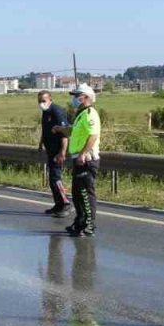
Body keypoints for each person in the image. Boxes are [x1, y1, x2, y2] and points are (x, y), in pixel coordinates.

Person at [56, 84, 101, 236]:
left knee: (86, 195)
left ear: (86, 97)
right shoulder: (80, 114)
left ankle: (89, 226)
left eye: (77, 96)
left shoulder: (90, 113)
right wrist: (61, 129)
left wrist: (83, 153)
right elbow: (74, 132)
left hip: (86, 159)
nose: (74, 99)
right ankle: (79, 223)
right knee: (77, 194)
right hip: (78, 159)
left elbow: (93, 135)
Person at [37, 90, 71, 217]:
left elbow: (64, 134)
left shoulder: (56, 111)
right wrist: (41, 144)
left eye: (43, 101)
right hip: (50, 149)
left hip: (58, 150)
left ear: (50, 99)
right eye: (39, 101)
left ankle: (65, 203)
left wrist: (62, 152)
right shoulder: (45, 112)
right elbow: (45, 130)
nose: (41, 104)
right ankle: (58, 205)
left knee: (55, 178)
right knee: (52, 180)